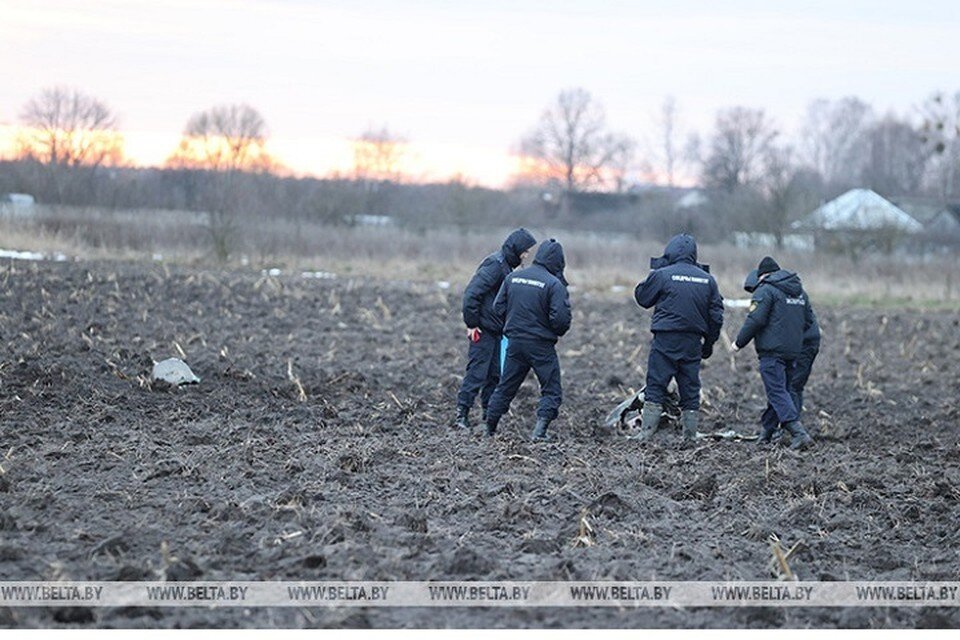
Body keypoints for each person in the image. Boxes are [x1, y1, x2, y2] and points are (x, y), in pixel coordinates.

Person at [630, 234, 724, 443]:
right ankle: (690, 435)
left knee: (656, 383)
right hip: (692, 341)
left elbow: (643, 298)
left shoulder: (662, 275)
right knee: (690, 386)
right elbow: (716, 316)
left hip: (666, 338)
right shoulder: (708, 280)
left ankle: (646, 432)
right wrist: (708, 344)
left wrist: (652, 275)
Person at [484, 239, 571, 441]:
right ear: (558, 261)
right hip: (541, 346)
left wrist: (513, 324)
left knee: (505, 387)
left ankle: (489, 428)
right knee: (551, 389)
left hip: (515, 342)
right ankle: (539, 432)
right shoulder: (553, 284)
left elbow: (498, 308)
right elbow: (560, 319)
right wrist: (551, 330)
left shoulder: (513, 278)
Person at [454, 228, 537, 430]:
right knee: (476, 373)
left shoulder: (507, 267)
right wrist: (472, 323)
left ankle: (487, 415)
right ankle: (461, 415)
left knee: (494, 375)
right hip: (482, 330)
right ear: (516, 248)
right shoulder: (495, 265)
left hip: (497, 332)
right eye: (525, 251)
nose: (526, 255)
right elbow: (472, 294)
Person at [732, 257, 815, 450]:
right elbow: (808, 320)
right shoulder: (799, 291)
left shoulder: (765, 289)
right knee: (780, 390)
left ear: (762, 276)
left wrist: (738, 343)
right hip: (793, 351)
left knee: (776, 391)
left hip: (772, 352)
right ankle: (767, 432)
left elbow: (755, 320)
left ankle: (798, 432)